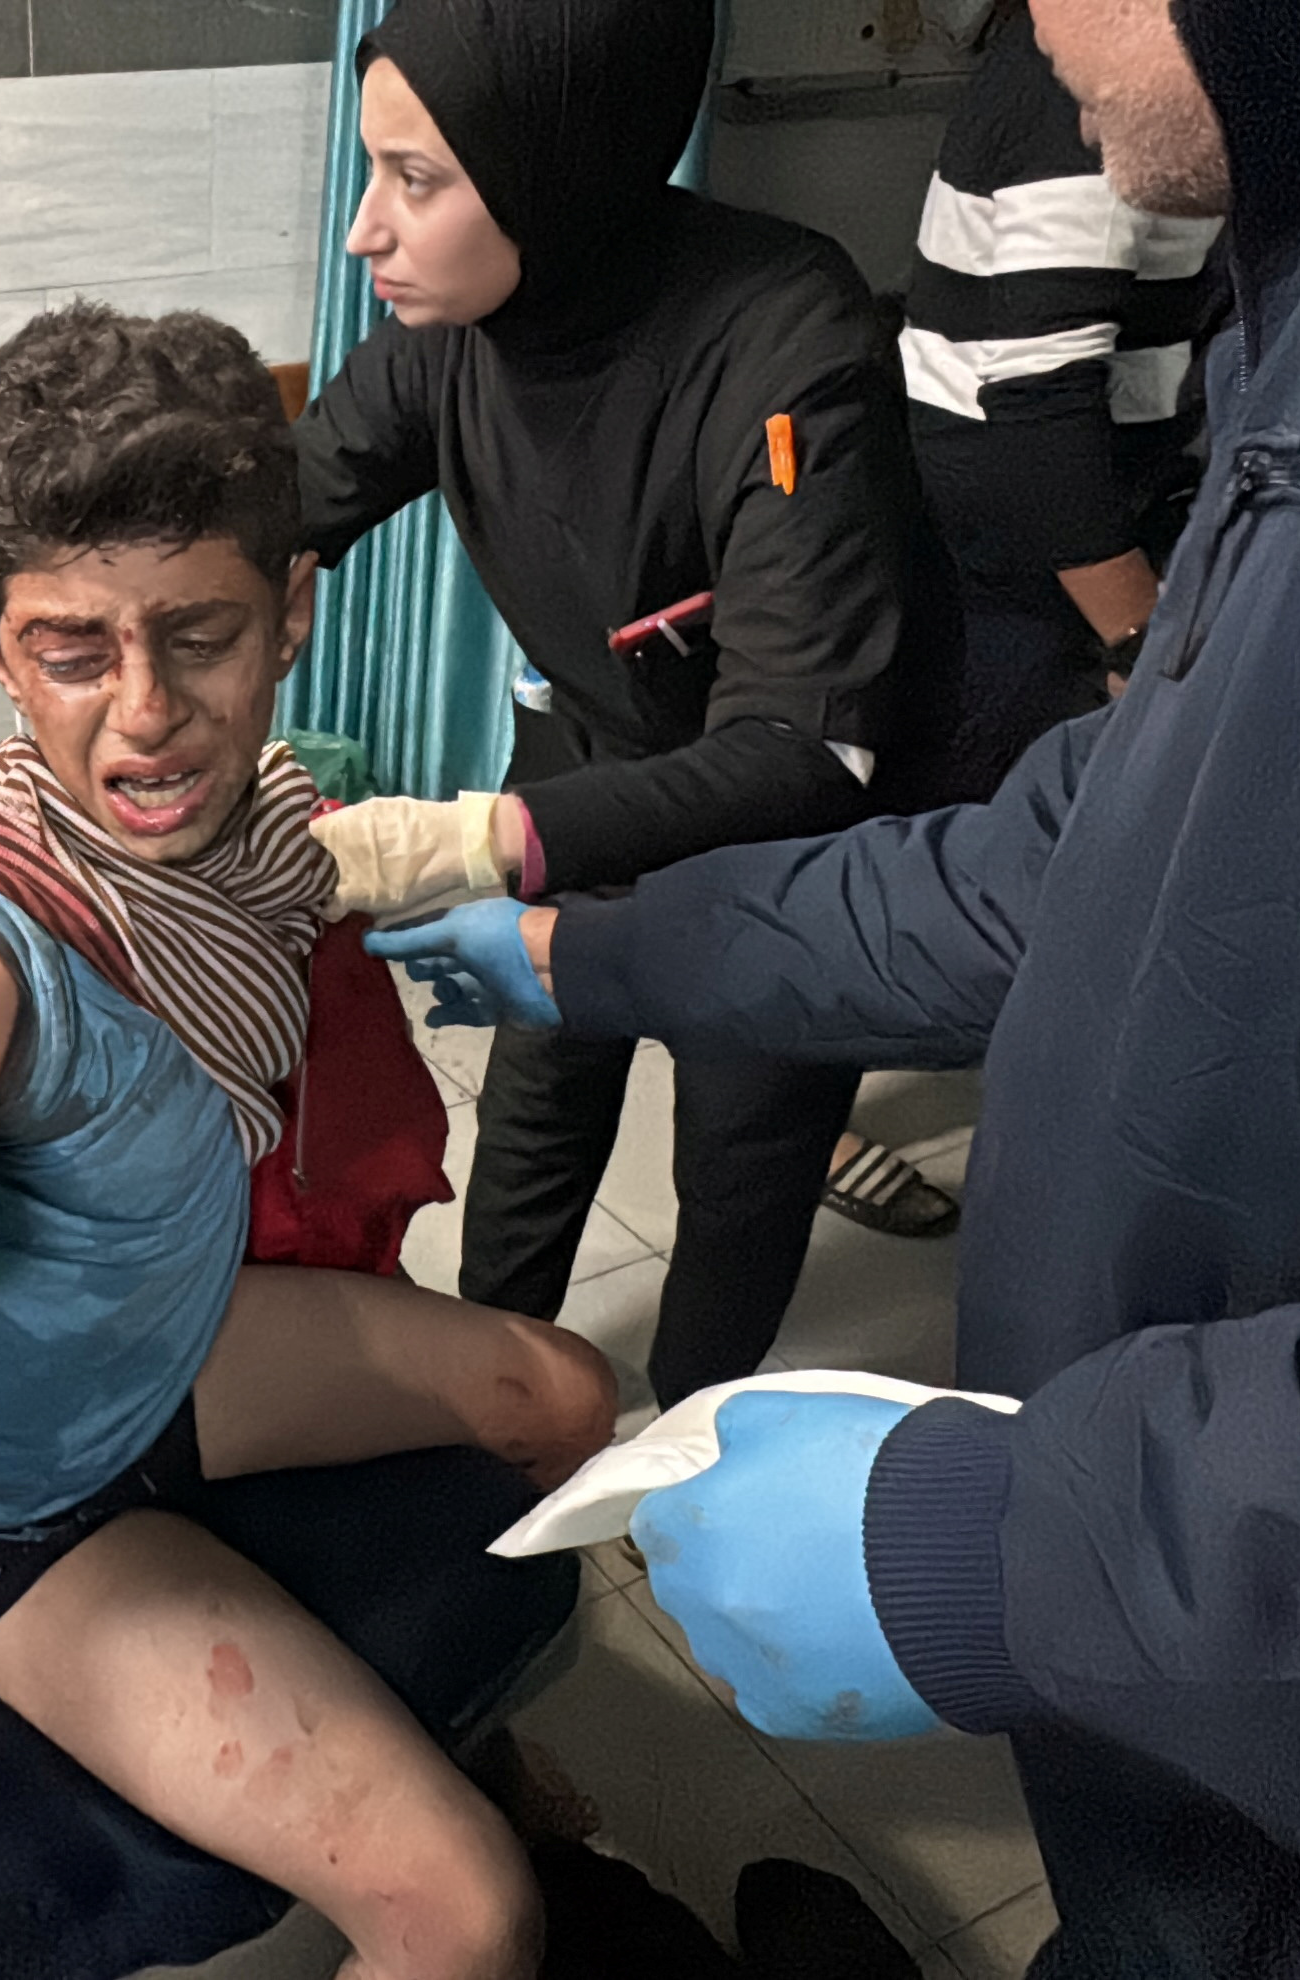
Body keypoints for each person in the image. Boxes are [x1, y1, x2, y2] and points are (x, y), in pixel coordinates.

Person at [372, 0, 1300, 1967]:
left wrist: (1026, 1543)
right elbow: (1114, 847)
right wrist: (600, 952)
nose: (1018, 22)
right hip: (1219, 1767)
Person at [0, 304, 625, 1980]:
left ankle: (460, 1726)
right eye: (73, 651)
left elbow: (338, 853)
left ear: (292, 619)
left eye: (200, 636)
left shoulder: (250, 828)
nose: (146, 718)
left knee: (565, 1394)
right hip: (5, 1498)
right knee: (468, 1914)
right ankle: (445, 1813)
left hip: (158, 1350)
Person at [295, 0, 961, 1409]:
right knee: (541, 1097)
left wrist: (459, 842)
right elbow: (290, 495)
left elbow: (799, 746)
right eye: (378, 172)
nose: (368, 229)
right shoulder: (455, 326)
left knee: (741, 1146)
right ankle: (492, 1402)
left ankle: (684, 1445)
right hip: (592, 742)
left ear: (551, 168)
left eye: (417, 181)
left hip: (779, 825)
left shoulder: (785, 334)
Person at [893, 0, 1226, 802]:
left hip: (1083, 511)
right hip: (1033, 546)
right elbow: (1038, 397)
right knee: (1028, 819)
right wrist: (1139, 644)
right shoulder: (1085, 85)